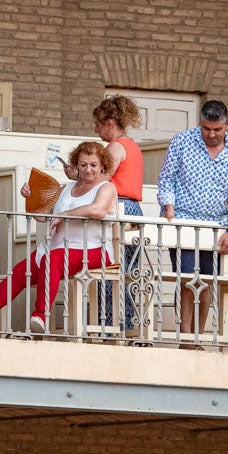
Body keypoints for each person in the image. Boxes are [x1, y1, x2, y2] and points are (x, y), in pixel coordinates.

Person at [0, 141, 117, 334]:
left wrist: (64, 215)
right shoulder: (66, 188)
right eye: (83, 165)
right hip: (57, 248)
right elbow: (42, 216)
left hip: (94, 250)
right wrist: (29, 198)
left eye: (93, 165)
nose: (88, 170)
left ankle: (40, 315)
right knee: (19, 272)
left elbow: (97, 210)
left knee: (52, 260)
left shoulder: (106, 188)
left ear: (102, 165)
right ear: (76, 165)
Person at [157, 100, 228, 348]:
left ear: (227, 125)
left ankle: (197, 336)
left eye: (217, 130)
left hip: (217, 225)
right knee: (188, 278)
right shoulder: (182, 141)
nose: (211, 134)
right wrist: (169, 208)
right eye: (206, 128)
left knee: (206, 281)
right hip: (183, 220)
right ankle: (186, 338)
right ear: (200, 123)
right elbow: (166, 178)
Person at [74, 95, 144, 328]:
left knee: (111, 269)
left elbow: (103, 178)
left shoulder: (116, 147)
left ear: (109, 124)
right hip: (133, 210)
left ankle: (111, 323)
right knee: (127, 271)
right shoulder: (133, 146)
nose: (96, 130)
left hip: (120, 208)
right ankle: (128, 323)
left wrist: (77, 177)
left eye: (98, 125)